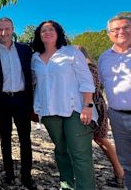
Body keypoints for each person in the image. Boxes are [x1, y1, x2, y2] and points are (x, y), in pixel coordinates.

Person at [32, 20, 96, 190]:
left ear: (58, 32)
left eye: (51, 29)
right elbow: (34, 82)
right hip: (49, 111)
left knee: (79, 154)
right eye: (43, 30)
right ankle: (67, 185)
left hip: (75, 109)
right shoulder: (35, 58)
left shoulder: (71, 52)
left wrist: (87, 106)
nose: (47, 32)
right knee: (61, 151)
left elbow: (86, 80)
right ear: (39, 35)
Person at [0, 17, 35, 189]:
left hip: (22, 99)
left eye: (7, 29)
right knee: (5, 139)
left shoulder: (25, 50)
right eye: (0, 29)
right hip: (1, 100)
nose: (4, 32)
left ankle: (26, 176)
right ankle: (9, 174)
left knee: (25, 139)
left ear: (13, 30)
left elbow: (32, 76)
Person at [75, 45, 124, 188]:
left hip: (94, 107)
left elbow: (92, 89)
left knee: (101, 139)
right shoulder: (86, 67)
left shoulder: (89, 68)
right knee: (100, 140)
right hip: (91, 106)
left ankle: (119, 171)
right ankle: (118, 171)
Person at [98, 15, 131, 189]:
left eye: (126, 27)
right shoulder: (104, 58)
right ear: (109, 34)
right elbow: (100, 85)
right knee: (126, 161)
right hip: (117, 116)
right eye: (115, 29)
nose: (121, 32)